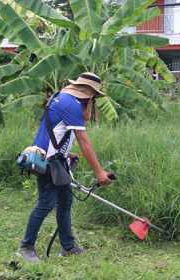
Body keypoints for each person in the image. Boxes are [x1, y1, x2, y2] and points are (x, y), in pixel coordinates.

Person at [16, 72, 113, 263]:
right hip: (48, 162)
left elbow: (54, 131)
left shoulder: (63, 98)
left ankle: (68, 247)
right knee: (45, 203)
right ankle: (25, 248)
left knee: (65, 200)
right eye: (93, 98)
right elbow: (83, 140)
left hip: (55, 158)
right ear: (89, 94)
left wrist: (66, 154)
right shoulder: (71, 103)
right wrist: (99, 172)